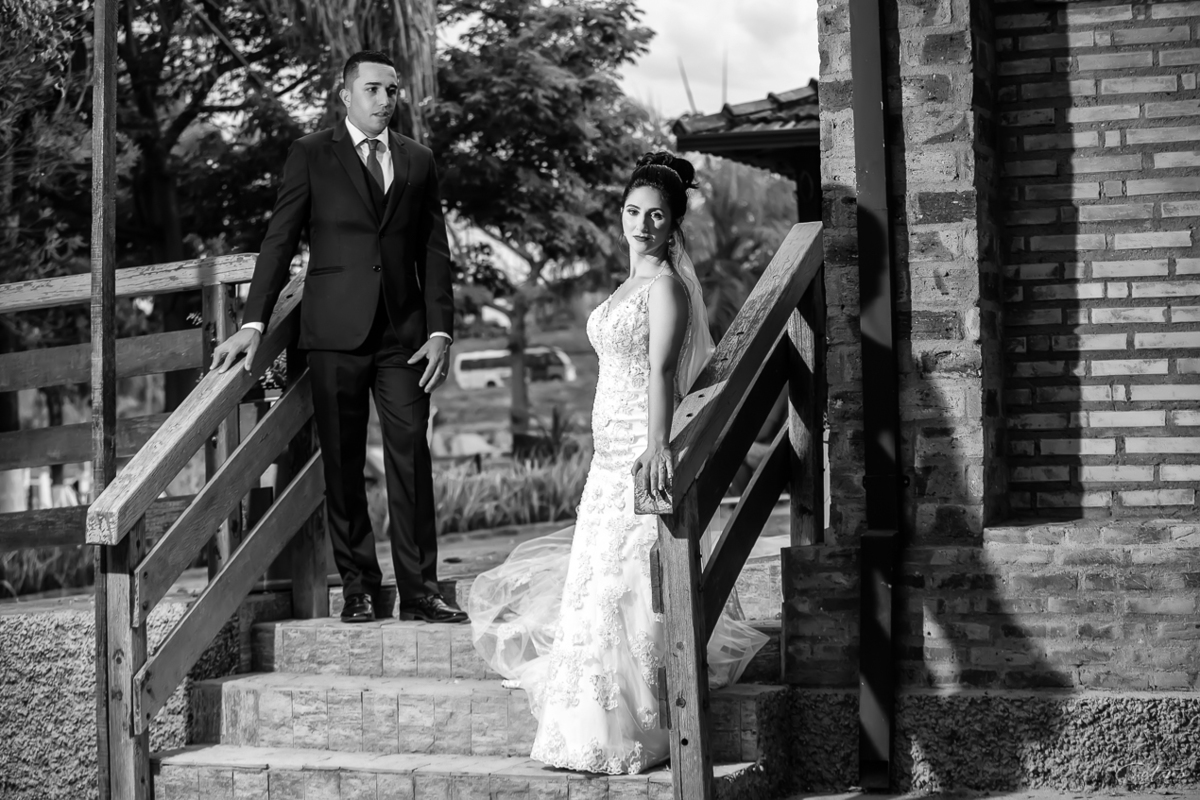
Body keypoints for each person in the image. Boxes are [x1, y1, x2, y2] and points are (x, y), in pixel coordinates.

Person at [468, 152, 768, 774]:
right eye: (633, 212)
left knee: (626, 586)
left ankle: (635, 724)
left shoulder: (665, 288)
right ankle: (580, 723)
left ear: (673, 223)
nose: (642, 224)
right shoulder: (622, 289)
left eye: (656, 215)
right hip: (603, 461)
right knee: (594, 587)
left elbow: (661, 372)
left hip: (638, 450)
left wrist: (657, 446)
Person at [210, 51, 467, 625]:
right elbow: (279, 241)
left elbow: (434, 251)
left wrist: (440, 330)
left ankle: (420, 591)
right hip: (332, 333)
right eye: (373, 89)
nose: (385, 100)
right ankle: (358, 588)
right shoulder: (310, 154)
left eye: (392, 90)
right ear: (346, 95)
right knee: (344, 465)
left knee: (411, 457)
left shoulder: (419, 159)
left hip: (405, 337)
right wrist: (253, 322)